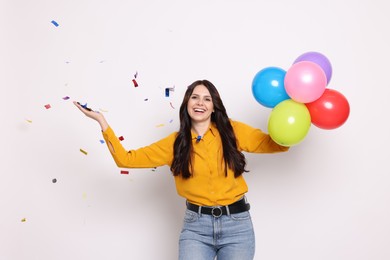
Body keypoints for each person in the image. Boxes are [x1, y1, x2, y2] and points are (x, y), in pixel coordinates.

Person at [74, 79, 289, 260]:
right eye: (195, 97)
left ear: (214, 106)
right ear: (186, 102)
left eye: (207, 99)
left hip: (237, 226)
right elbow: (126, 160)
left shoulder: (232, 131)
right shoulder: (174, 143)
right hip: (196, 228)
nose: (200, 103)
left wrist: (291, 121)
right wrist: (102, 122)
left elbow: (277, 144)